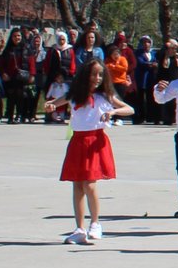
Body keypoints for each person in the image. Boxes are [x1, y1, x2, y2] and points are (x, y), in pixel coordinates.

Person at [47, 60, 133, 244]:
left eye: (100, 75)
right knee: (77, 185)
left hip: (95, 141)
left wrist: (113, 113)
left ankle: (95, 223)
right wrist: (51, 105)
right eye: (94, 74)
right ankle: (79, 228)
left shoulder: (106, 96)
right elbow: (55, 102)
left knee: (90, 184)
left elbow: (129, 109)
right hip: (78, 141)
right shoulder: (75, 94)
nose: (97, 78)